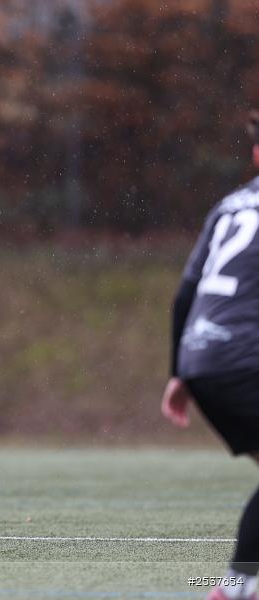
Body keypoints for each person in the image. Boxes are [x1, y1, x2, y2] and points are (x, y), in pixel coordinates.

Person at [161, 111, 259, 600]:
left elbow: (185, 294)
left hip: (203, 361)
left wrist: (180, 371)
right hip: (245, 360)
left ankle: (240, 585)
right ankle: (236, 587)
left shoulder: (228, 206)